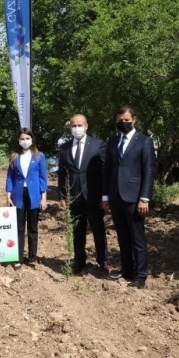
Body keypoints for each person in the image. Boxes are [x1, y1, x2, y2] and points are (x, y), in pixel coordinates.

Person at [101, 106, 155, 289]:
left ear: (134, 119)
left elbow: (148, 171)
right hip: (116, 196)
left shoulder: (144, 142)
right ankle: (127, 270)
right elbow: (107, 170)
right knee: (122, 237)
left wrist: (144, 198)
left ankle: (140, 275)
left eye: (126, 120)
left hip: (134, 197)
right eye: (120, 120)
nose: (123, 123)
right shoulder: (113, 141)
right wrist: (106, 196)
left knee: (137, 238)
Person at [57, 114, 110, 275]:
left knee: (98, 231)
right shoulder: (64, 148)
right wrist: (62, 195)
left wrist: (105, 196)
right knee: (77, 232)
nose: (77, 128)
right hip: (75, 198)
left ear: (86, 126)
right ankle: (79, 261)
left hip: (94, 197)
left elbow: (104, 172)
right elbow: (62, 174)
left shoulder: (98, 144)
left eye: (80, 125)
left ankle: (103, 261)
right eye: (74, 126)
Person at [5, 128, 48, 268]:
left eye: (27, 138)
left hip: (34, 194)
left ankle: (32, 257)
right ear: (18, 140)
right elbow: (10, 177)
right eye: (22, 139)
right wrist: (8, 194)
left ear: (32, 139)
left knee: (33, 227)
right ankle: (17, 257)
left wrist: (44, 197)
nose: (25, 141)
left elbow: (43, 178)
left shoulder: (39, 156)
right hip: (18, 194)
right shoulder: (14, 156)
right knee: (19, 227)